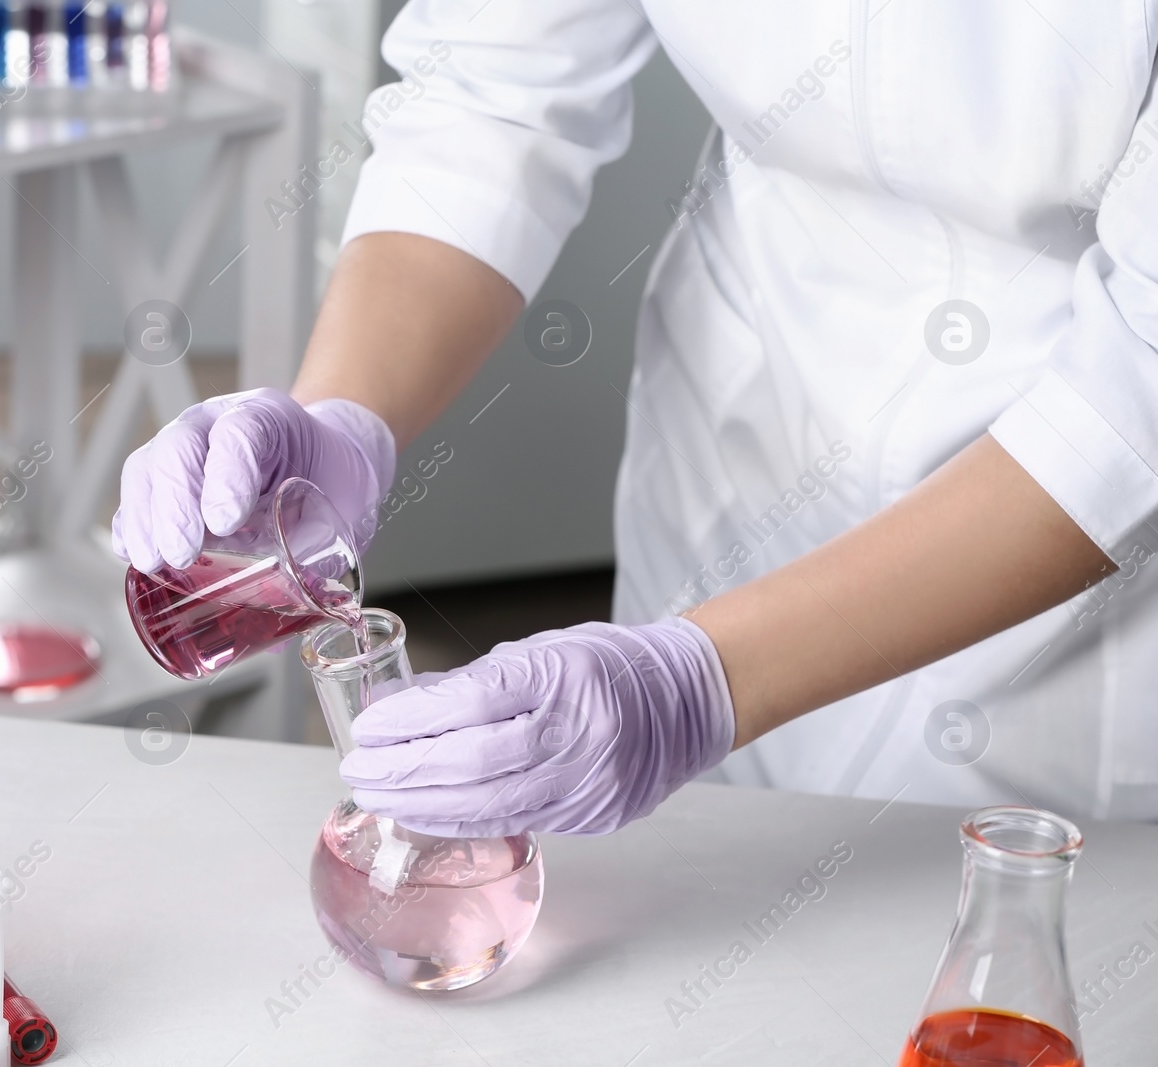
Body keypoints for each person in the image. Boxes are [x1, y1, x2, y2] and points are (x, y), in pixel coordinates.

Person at [115, 3, 1158, 836]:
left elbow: (1133, 388)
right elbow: (491, 93)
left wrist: (697, 681)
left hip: (1060, 585)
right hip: (739, 445)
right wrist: (346, 411)